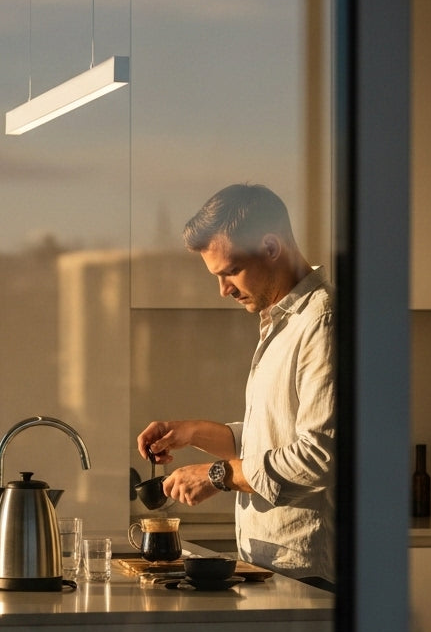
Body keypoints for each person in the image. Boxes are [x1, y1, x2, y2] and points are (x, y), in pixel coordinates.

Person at [137, 183, 336, 587]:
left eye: (230, 271)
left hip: (310, 574)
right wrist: (191, 433)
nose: (223, 289)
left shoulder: (323, 322)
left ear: (270, 247)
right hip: (270, 566)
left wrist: (216, 476)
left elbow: (319, 456)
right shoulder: (281, 323)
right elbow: (276, 440)